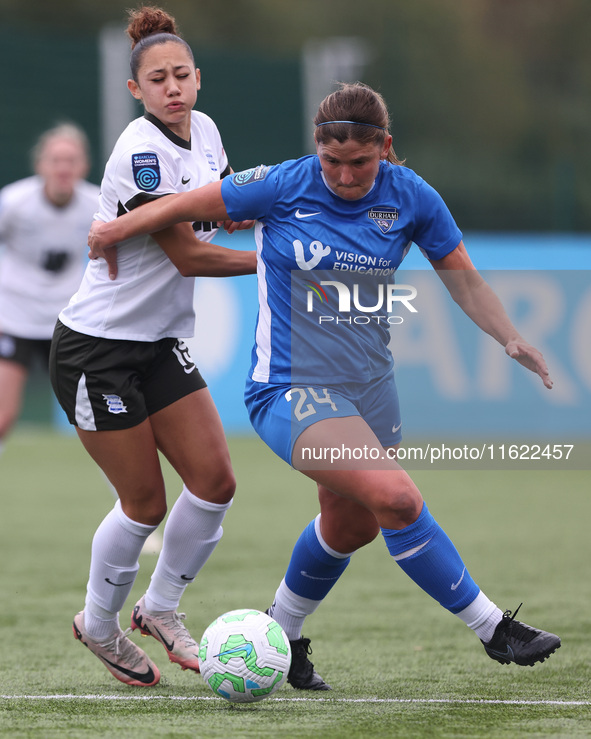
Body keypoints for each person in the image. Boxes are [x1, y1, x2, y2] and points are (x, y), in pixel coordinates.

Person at [88, 82, 561, 691]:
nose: (341, 175)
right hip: (289, 388)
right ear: (316, 149)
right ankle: (495, 629)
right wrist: (112, 229)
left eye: (359, 162)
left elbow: (464, 280)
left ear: (385, 148)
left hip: (369, 386)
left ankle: (280, 631)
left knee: (352, 525)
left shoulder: (411, 196)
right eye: (330, 161)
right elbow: (182, 206)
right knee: (398, 500)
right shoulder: (283, 183)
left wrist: (509, 337)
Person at [50, 6, 255, 688]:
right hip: (97, 350)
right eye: (157, 79)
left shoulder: (206, 134)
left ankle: (161, 608)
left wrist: (274, 210)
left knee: (217, 481)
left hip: (161, 341)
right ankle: (99, 624)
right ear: (136, 90)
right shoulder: (139, 152)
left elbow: (220, 207)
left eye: (181, 75)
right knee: (144, 503)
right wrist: (280, 261)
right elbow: (190, 254)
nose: (172, 87)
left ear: (198, 79)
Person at [0, 124, 99, 455]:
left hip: (66, 319)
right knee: (3, 416)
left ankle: (127, 498)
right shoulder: (13, 202)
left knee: (92, 417)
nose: (63, 168)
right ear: (40, 165)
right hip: (14, 316)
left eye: (71, 160)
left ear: (83, 165)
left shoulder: (97, 203)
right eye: (56, 160)